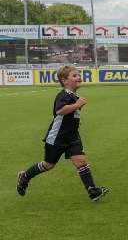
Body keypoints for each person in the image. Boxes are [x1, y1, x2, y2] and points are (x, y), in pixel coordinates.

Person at [15, 65, 109, 202]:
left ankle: (92, 191)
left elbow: (69, 115)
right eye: (75, 76)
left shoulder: (73, 95)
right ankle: (25, 176)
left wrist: (76, 120)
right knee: (48, 165)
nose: (79, 77)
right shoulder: (64, 94)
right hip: (57, 137)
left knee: (81, 161)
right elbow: (60, 110)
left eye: (79, 75)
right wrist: (77, 105)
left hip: (72, 136)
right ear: (64, 81)